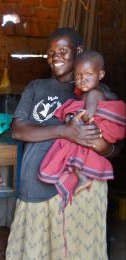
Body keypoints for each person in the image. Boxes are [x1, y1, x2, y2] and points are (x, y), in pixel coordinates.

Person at [6, 28, 116, 259]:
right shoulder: (36, 87)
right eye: (51, 52)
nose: (55, 57)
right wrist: (66, 131)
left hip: (78, 192)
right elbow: (18, 130)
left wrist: (101, 145)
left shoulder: (94, 92)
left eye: (63, 51)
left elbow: (113, 146)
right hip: (34, 187)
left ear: (78, 51)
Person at [39, 50, 126, 210]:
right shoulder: (87, 92)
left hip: (93, 129)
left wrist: (72, 120)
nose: (82, 79)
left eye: (88, 75)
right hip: (93, 134)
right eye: (78, 75)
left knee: (66, 147)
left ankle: (81, 178)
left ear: (100, 75)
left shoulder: (93, 93)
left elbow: (89, 115)